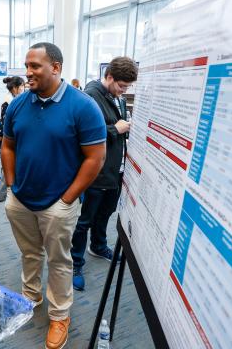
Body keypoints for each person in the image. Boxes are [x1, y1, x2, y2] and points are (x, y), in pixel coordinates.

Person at [1, 42, 106, 349]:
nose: (28, 72)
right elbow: (8, 146)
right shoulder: (20, 104)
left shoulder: (83, 106)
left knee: (59, 262)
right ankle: (30, 297)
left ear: (56, 68)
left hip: (59, 204)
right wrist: (10, 187)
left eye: (35, 66)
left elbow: (95, 159)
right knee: (29, 254)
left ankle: (60, 315)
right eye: (27, 66)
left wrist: (67, 200)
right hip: (21, 199)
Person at [70, 56, 137, 291]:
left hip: (114, 169)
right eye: (121, 86)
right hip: (95, 172)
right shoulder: (90, 96)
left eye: (127, 88)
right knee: (84, 220)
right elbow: (80, 134)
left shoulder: (116, 97)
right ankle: (75, 262)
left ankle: (98, 246)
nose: (123, 92)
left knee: (106, 213)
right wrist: (115, 129)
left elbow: (117, 124)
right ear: (109, 77)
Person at [0, 77, 24, 202]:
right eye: (22, 86)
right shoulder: (9, 102)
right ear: (15, 88)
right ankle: (3, 194)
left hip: (16, 136)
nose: (24, 88)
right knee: (8, 165)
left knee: (12, 164)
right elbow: (4, 120)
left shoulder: (15, 99)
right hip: (10, 137)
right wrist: (1, 134)